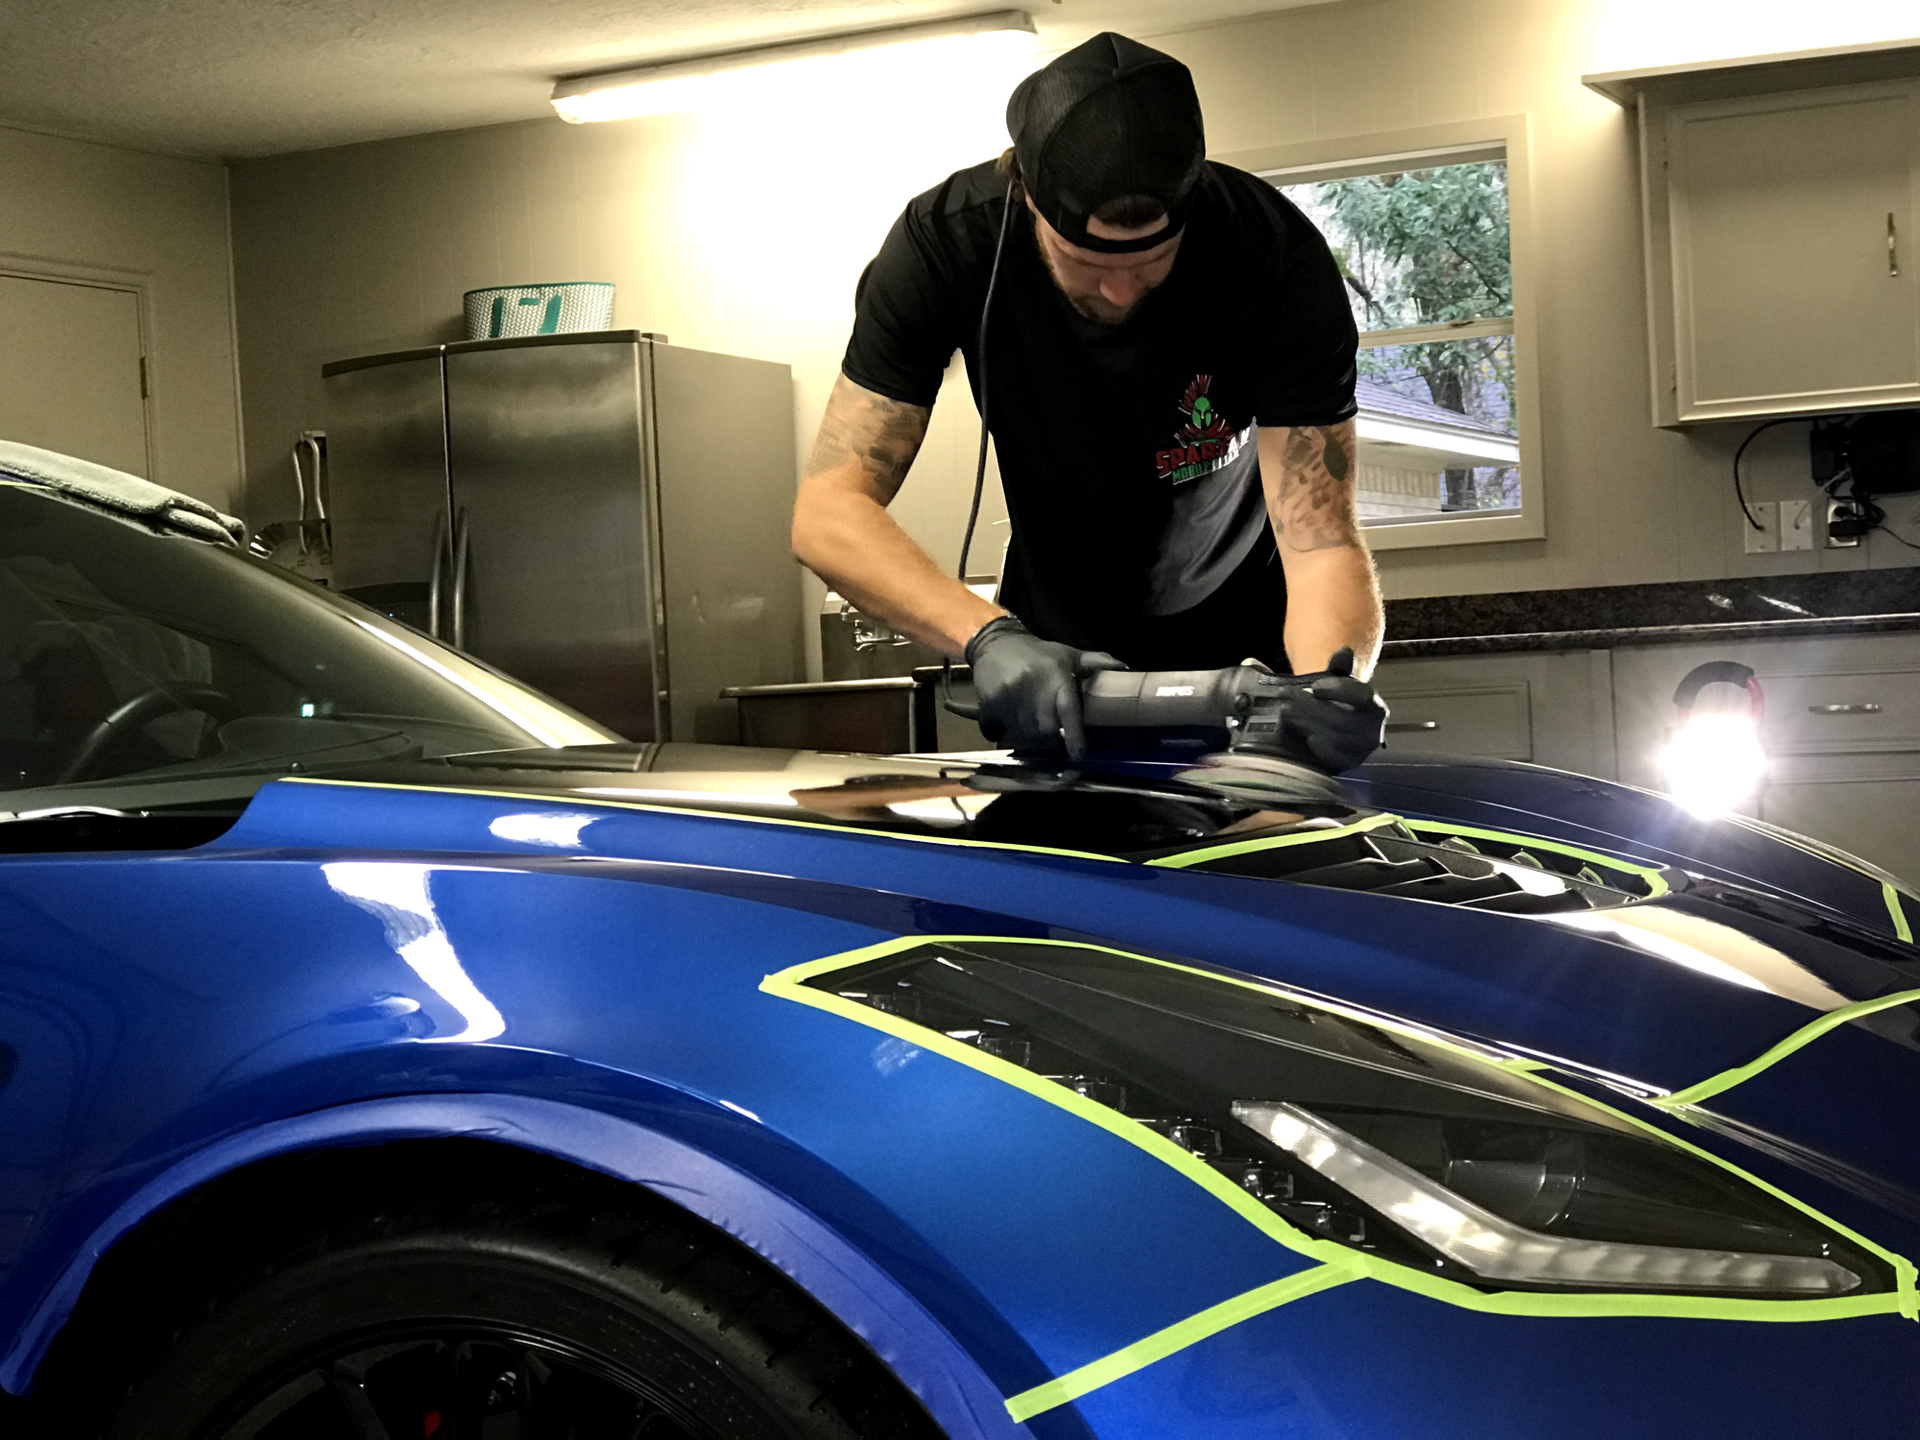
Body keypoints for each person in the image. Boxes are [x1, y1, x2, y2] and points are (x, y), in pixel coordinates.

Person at [791, 31, 1386, 768]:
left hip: (1250, 669)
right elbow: (827, 511)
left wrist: (1330, 687)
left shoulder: (1274, 258)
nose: (1120, 290)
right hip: (1053, 668)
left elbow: (1321, 537)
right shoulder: (945, 245)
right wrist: (986, 636)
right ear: (1024, 193)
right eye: (1084, 263)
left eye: (1152, 262)